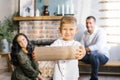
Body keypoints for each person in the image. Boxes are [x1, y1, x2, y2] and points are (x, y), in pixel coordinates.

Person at [51, 16, 85, 80]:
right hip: (58, 75)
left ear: (76, 30)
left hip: (72, 76)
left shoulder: (76, 44)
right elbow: (49, 50)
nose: (67, 32)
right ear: (60, 30)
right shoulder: (57, 43)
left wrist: (83, 52)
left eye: (71, 29)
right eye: (64, 29)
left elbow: (83, 50)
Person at [80, 16, 110, 80]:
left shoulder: (101, 32)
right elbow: (81, 45)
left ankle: (94, 78)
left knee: (93, 54)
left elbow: (98, 46)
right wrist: (80, 50)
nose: (88, 25)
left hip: (103, 57)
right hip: (89, 56)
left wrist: (85, 50)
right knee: (77, 55)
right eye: (87, 23)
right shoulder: (85, 33)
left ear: (95, 23)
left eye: (90, 23)